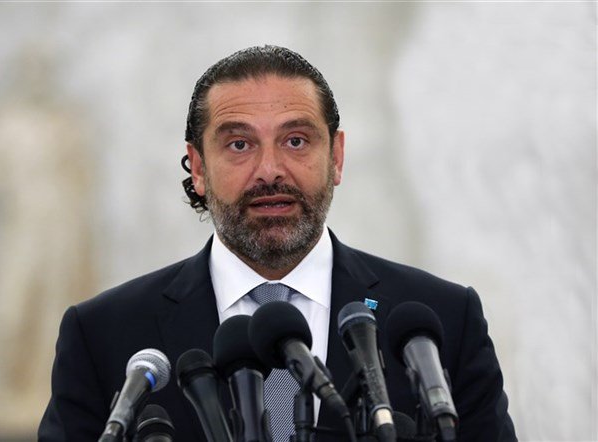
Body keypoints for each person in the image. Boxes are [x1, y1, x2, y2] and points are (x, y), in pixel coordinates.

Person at [39, 45, 516, 441]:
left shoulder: (443, 321)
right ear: (199, 168)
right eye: (239, 145)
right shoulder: (104, 335)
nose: (270, 171)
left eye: (296, 141)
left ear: (336, 157)